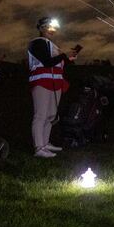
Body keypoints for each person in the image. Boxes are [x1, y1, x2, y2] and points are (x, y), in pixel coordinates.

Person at [28, 17, 80, 158]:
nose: (51, 30)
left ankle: (45, 143)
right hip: (41, 81)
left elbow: (58, 63)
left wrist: (68, 59)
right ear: (40, 28)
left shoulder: (54, 46)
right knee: (40, 115)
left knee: (51, 114)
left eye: (53, 28)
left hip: (55, 84)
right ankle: (39, 148)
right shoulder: (36, 43)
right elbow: (47, 62)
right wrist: (64, 56)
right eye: (48, 27)